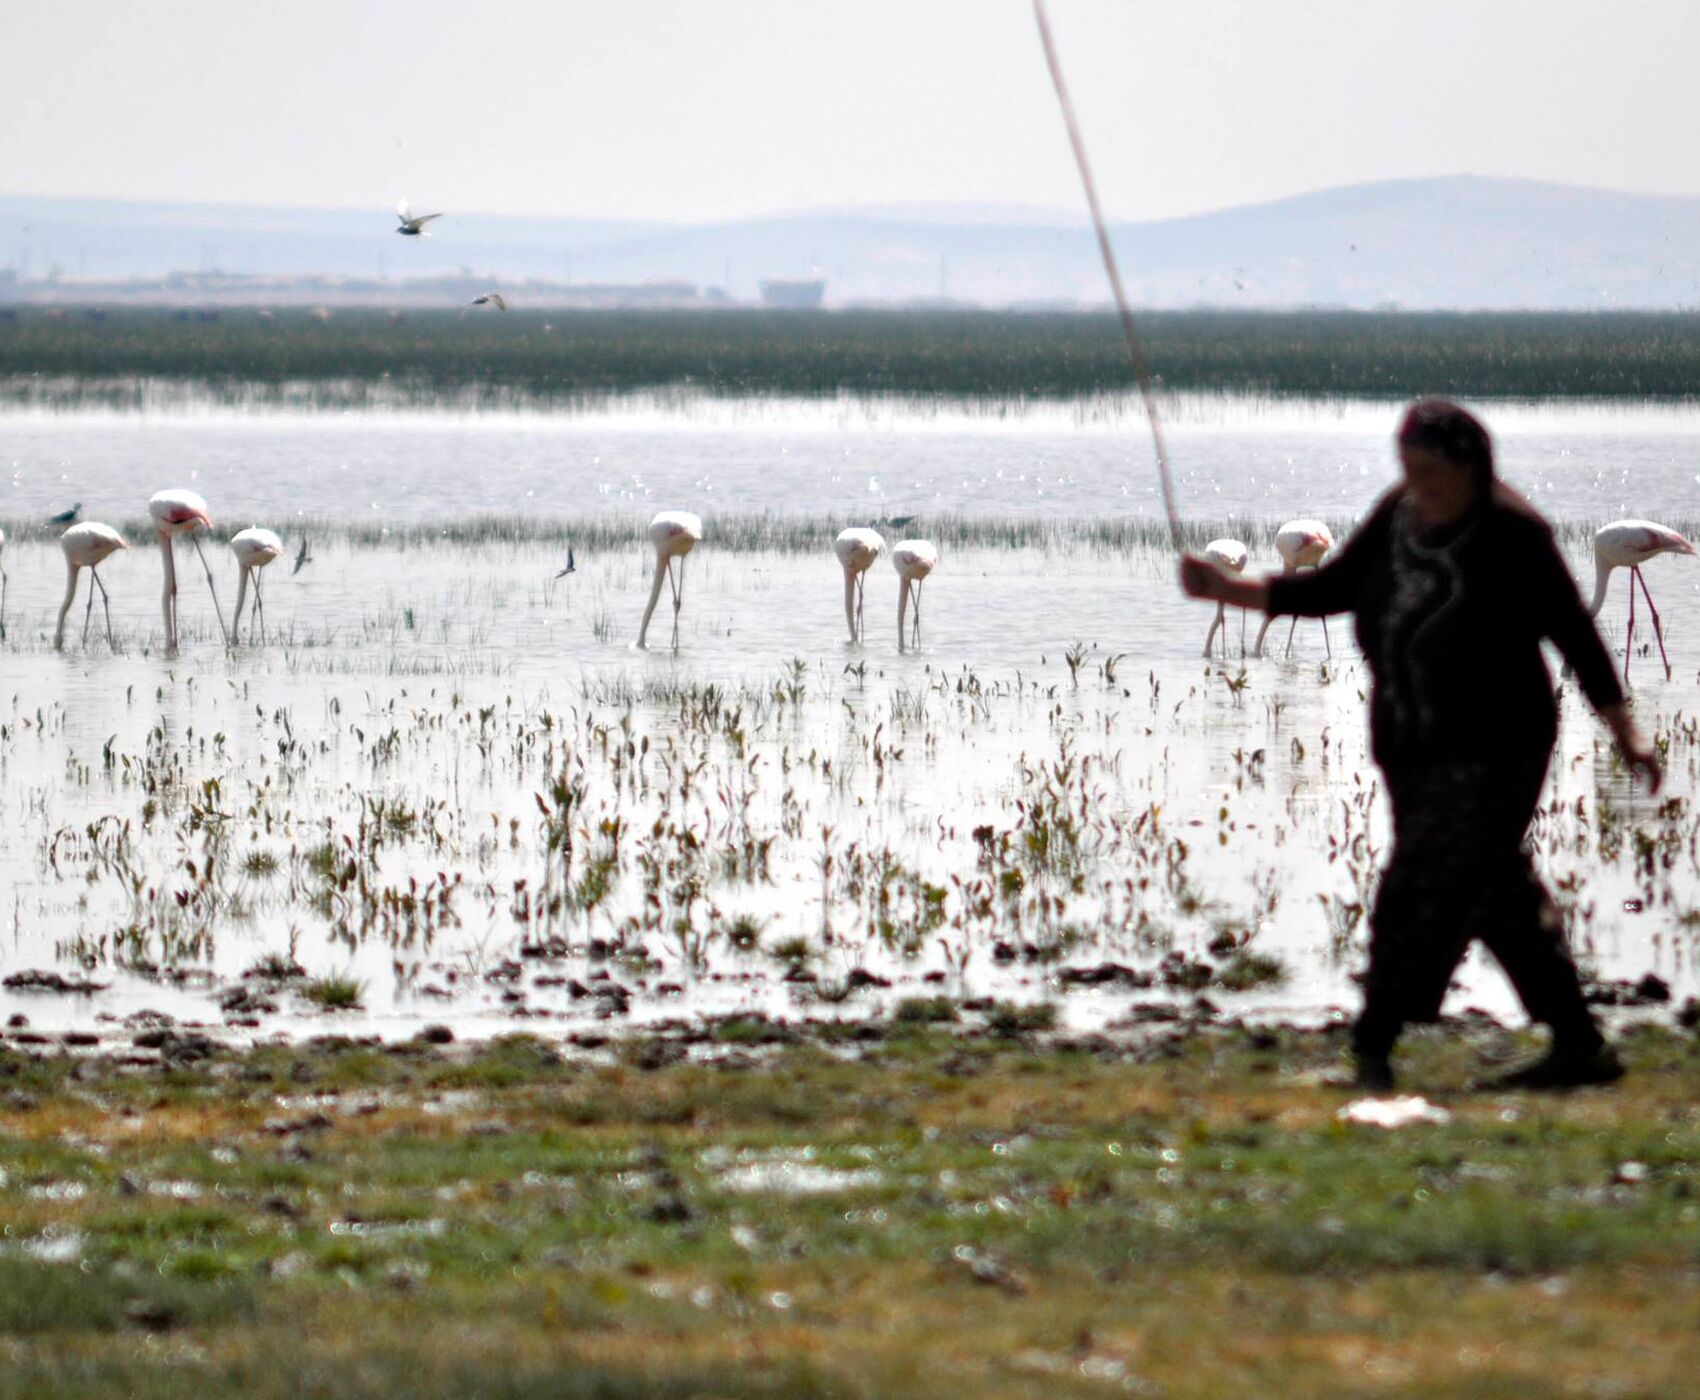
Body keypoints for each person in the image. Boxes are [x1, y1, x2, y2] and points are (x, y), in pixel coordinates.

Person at [1180, 399, 1661, 1091]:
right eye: (1407, 467)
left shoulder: (1512, 532)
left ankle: (1374, 1048)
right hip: (1411, 740)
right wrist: (1230, 591)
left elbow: (1574, 636)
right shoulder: (1399, 514)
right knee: (1495, 888)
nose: (1418, 481)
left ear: (1470, 463)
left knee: (1416, 885)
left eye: (1430, 469)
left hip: (1498, 740)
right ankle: (1579, 1047)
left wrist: (1627, 732)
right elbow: (1332, 590)